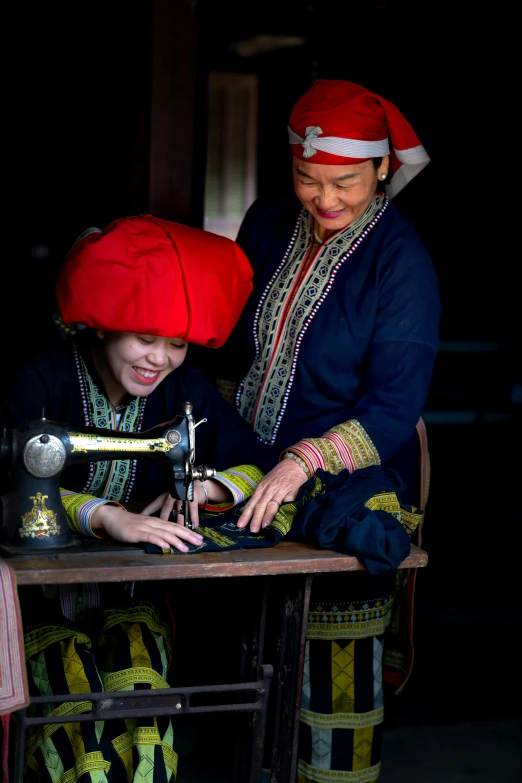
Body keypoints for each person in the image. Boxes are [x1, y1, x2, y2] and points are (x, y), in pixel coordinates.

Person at [200, 79, 441, 782]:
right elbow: (227, 352)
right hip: (245, 468)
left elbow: (394, 406)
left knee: (331, 681)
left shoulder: (402, 264)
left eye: (345, 181)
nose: (326, 198)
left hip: (347, 480)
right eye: (309, 178)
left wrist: (302, 462)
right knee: (234, 669)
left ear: (382, 170)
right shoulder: (268, 222)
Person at [0, 214, 279, 782]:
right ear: (102, 326)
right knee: (69, 691)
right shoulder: (42, 378)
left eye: (175, 343)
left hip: (133, 594)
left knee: (144, 692)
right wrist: (106, 516)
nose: (159, 359)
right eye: (144, 338)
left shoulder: (183, 390)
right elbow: (6, 484)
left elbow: (260, 463)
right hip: (32, 601)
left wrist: (208, 484)